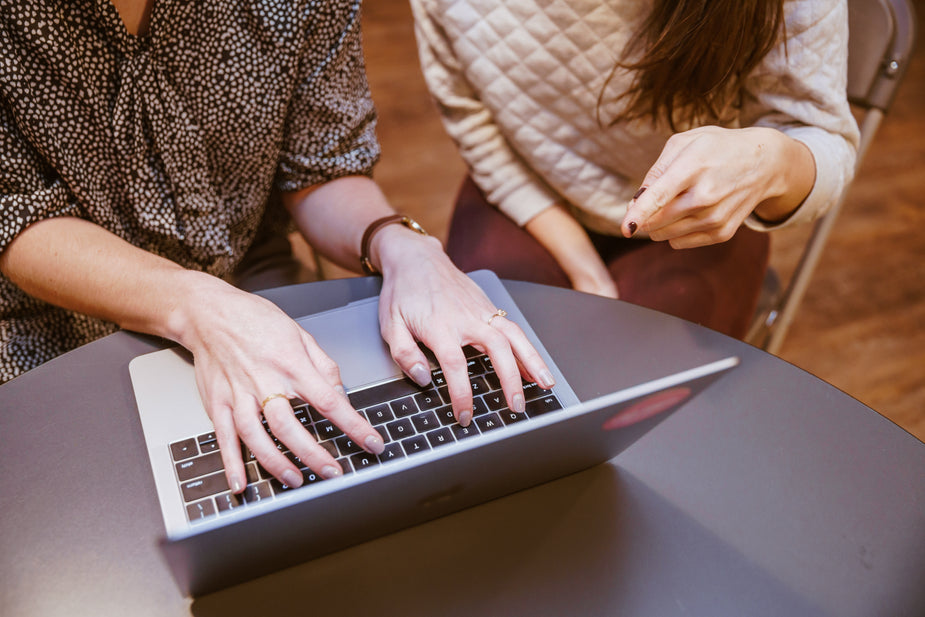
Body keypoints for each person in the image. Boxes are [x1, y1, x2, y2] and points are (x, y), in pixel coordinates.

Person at [0, 1, 556, 493]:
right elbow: (18, 218)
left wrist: (401, 244)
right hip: (55, 321)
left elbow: (323, 166)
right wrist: (196, 305)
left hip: (247, 270)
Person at [410, 0, 860, 338]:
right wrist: (583, 266)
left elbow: (820, 135)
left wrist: (772, 161)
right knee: (494, 383)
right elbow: (473, 119)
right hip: (524, 186)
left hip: (696, 217)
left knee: (639, 404)